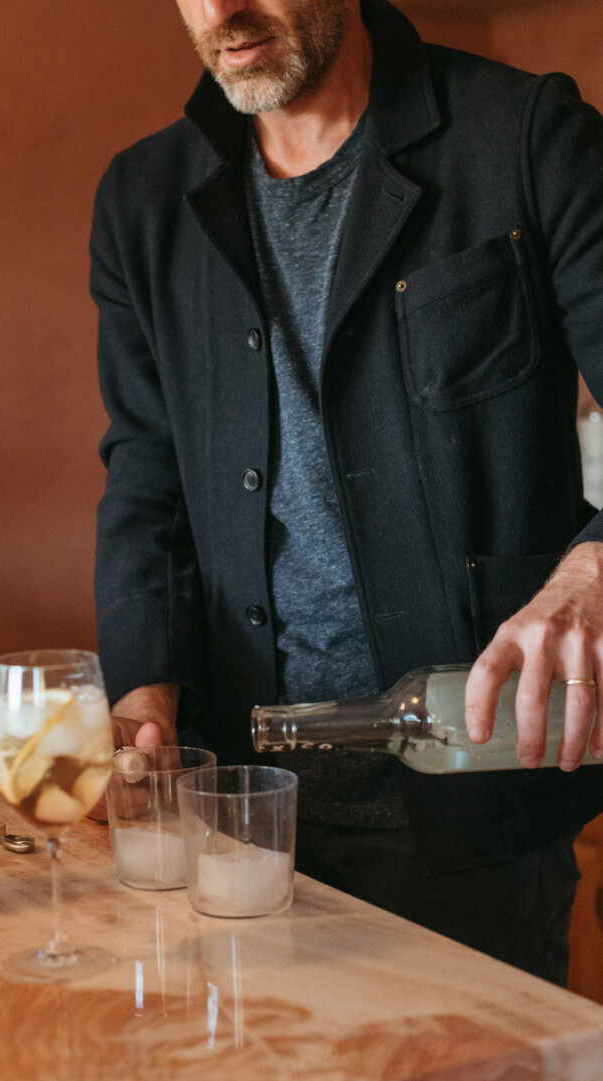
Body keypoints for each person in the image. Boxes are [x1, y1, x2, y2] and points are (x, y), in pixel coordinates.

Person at [89, 0, 603, 984]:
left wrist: (591, 566)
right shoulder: (142, 198)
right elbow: (146, 472)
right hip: (232, 804)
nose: (223, 11)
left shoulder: (527, 136)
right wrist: (143, 690)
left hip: (473, 790)